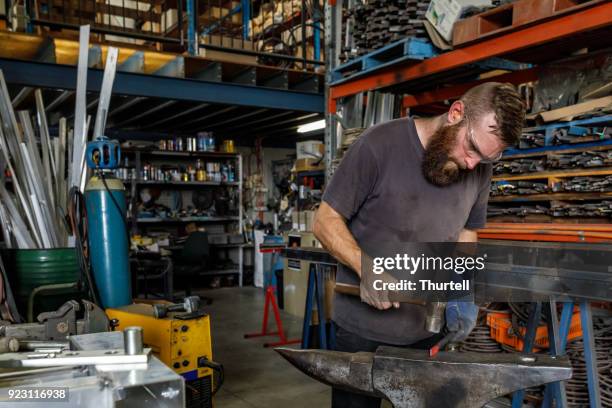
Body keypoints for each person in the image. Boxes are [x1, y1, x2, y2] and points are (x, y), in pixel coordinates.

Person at [313, 82, 526, 408]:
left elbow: (468, 233)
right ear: (456, 113)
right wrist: (365, 268)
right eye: (471, 150)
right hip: (361, 332)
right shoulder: (379, 145)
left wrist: (461, 289)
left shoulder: (480, 169)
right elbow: (325, 221)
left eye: (485, 158)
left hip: (425, 331)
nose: (472, 164)